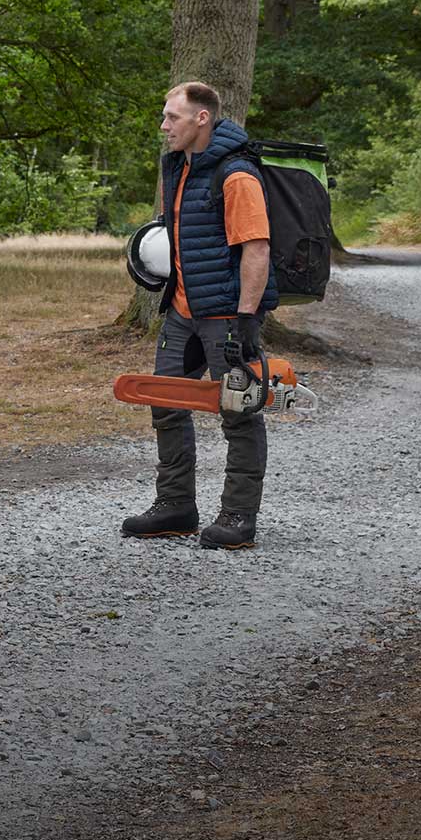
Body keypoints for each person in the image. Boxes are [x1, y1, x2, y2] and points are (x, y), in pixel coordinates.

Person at [121, 81, 276, 550]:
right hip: (182, 311)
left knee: (239, 413)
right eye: (165, 117)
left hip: (226, 316)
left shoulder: (236, 176)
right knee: (165, 402)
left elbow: (257, 248)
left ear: (201, 119)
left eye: (173, 117)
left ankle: (238, 515)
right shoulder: (181, 167)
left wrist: (246, 320)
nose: (164, 126)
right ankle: (175, 506)